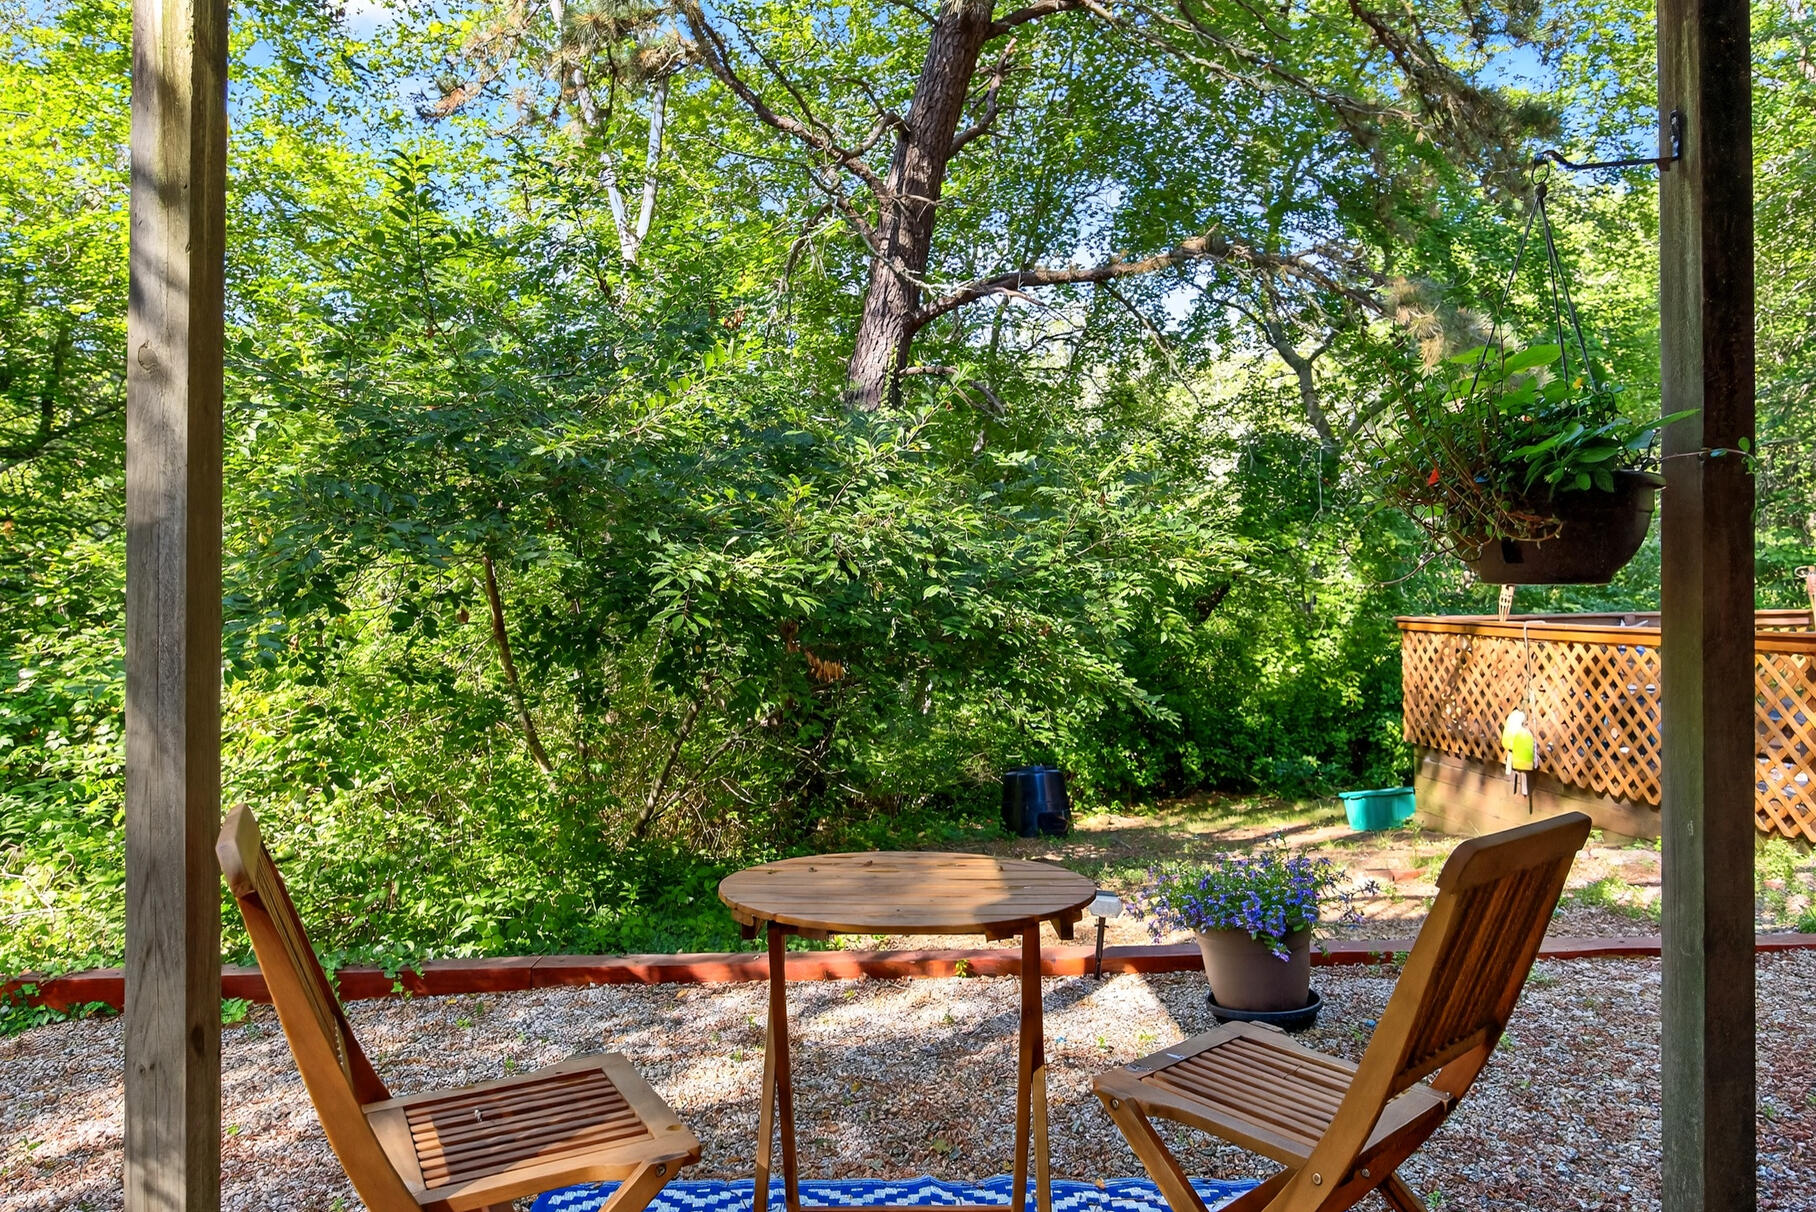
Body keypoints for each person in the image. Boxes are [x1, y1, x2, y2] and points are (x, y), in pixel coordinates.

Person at [1502, 709, 1536, 797]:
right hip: (1518, 753)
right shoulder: (1518, 720)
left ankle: (1523, 788)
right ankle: (1523, 789)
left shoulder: (1514, 717)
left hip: (1515, 751)